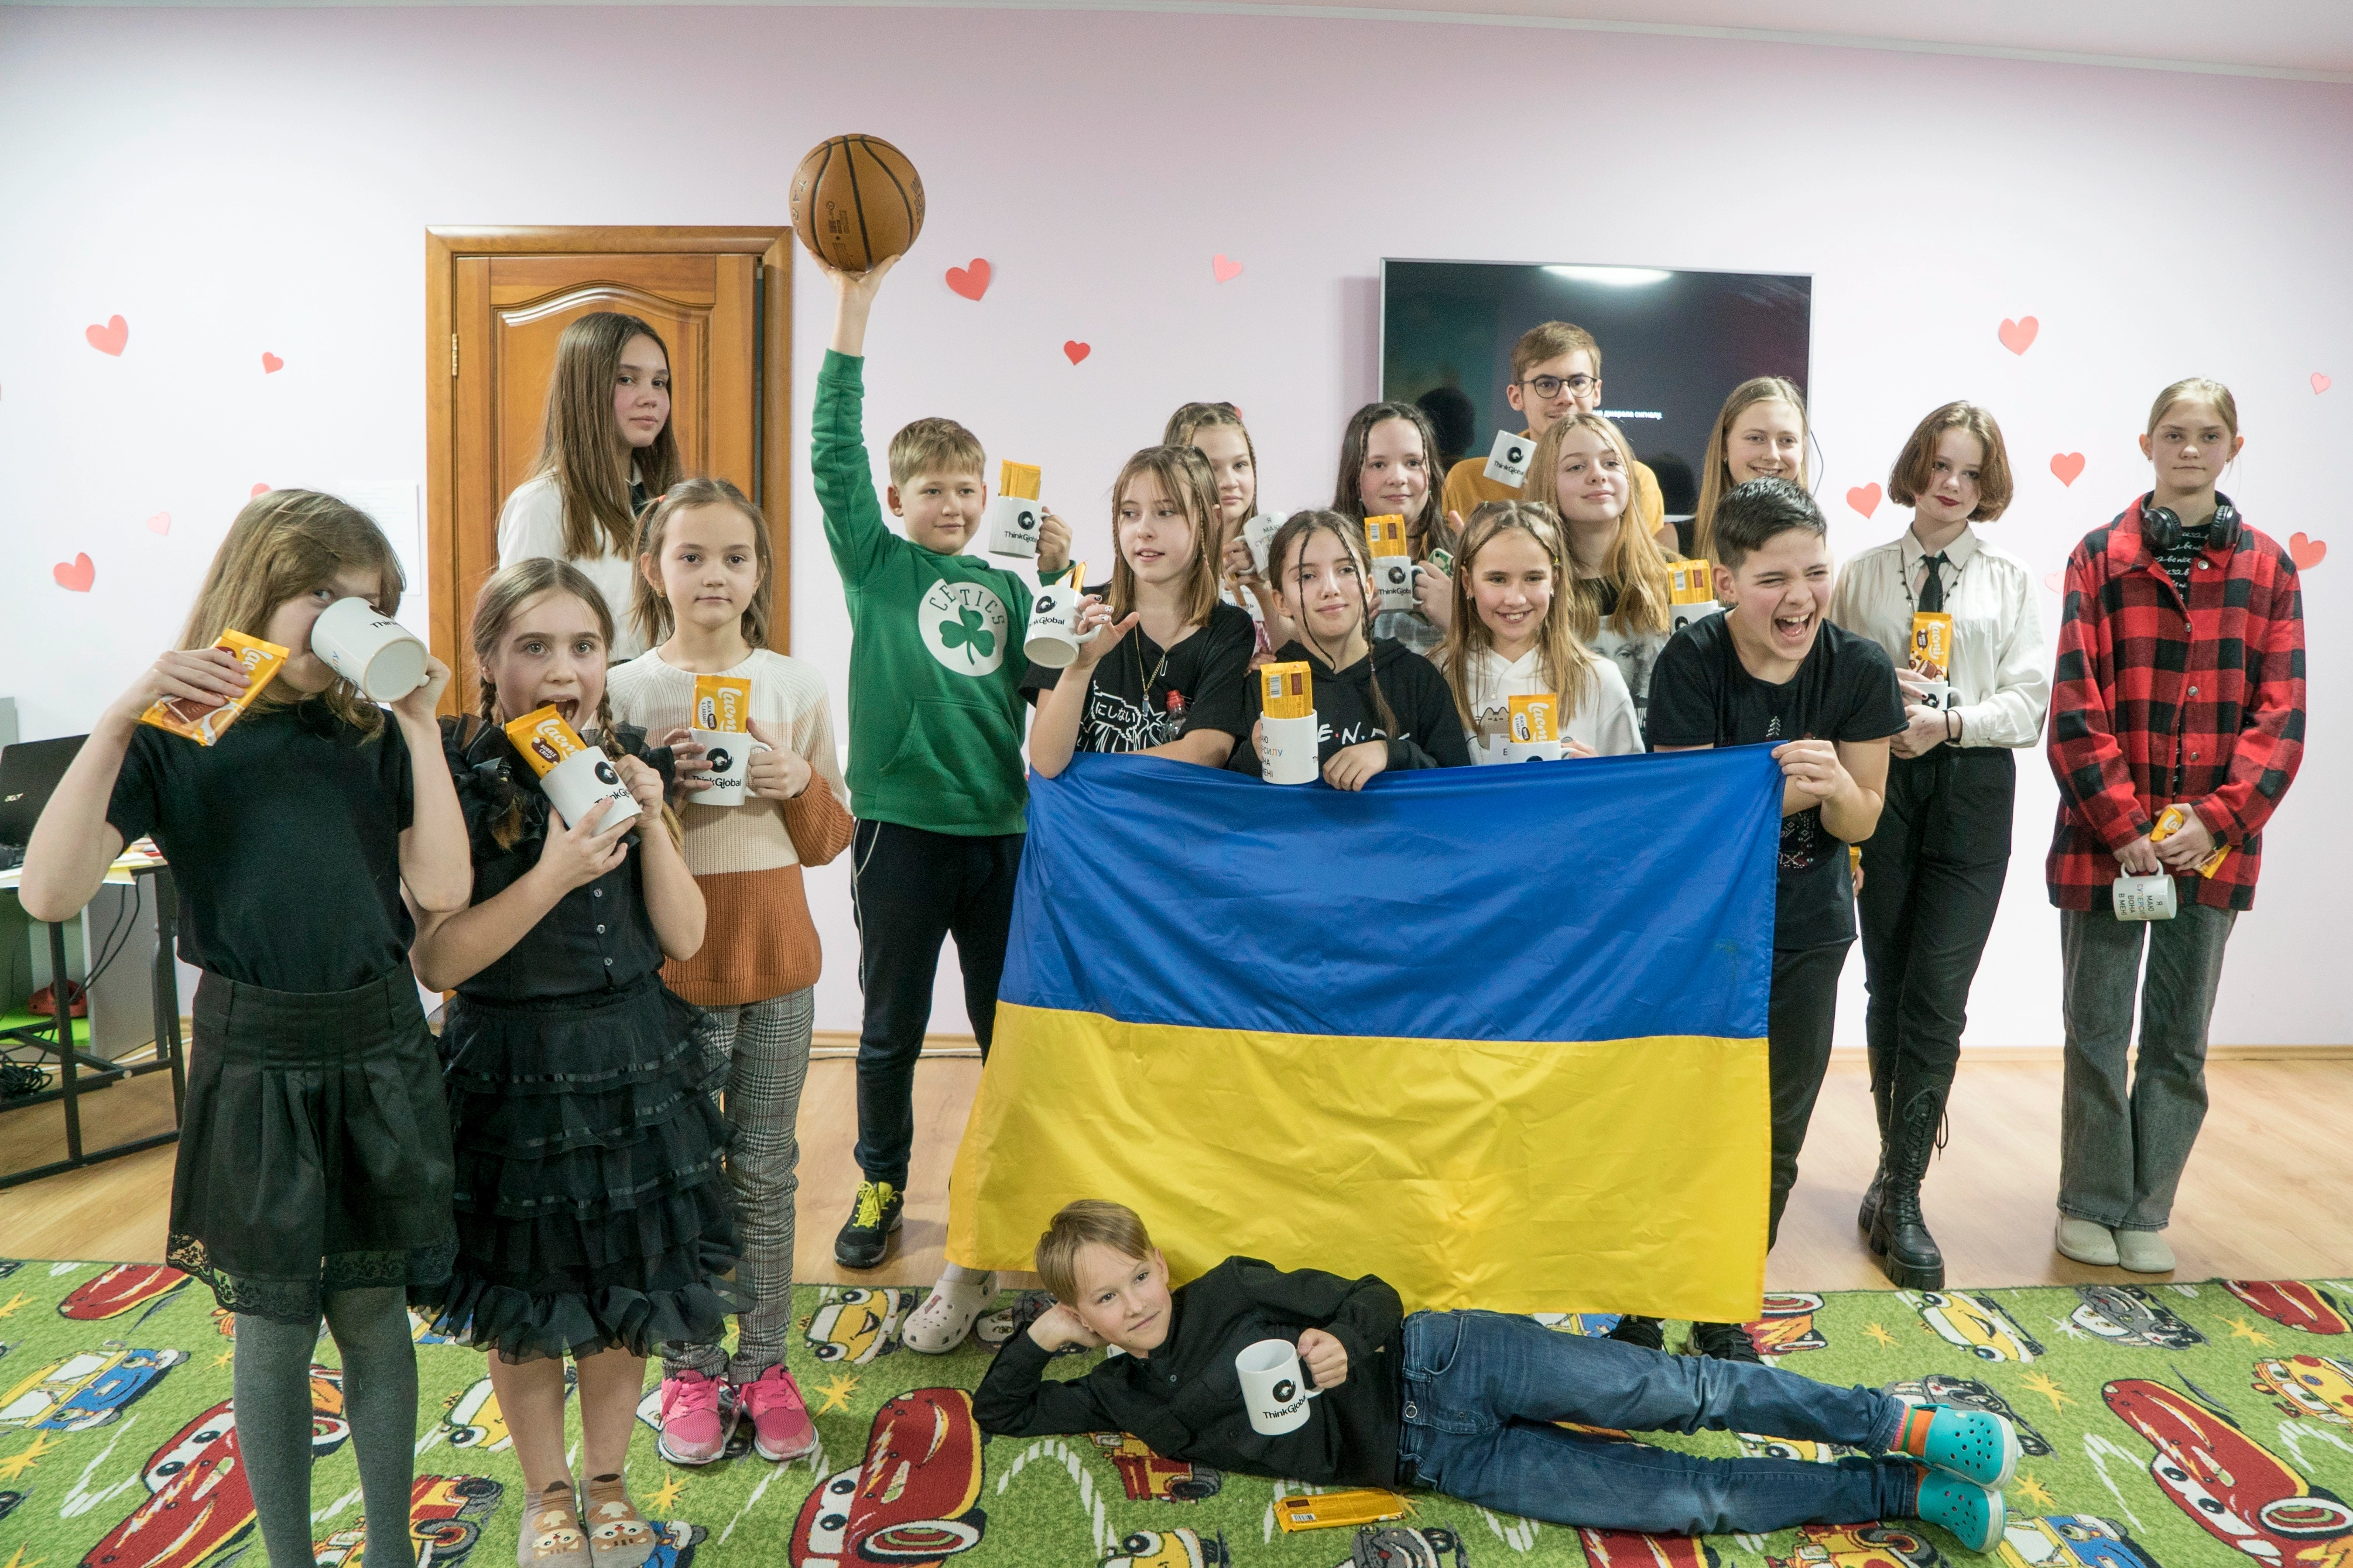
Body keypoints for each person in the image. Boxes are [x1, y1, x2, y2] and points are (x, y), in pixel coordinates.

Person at [20, 490, 471, 1568]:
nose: (346, 620)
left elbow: (444, 888)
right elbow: (47, 891)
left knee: (371, 1312)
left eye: (371, 603)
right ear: (259, 590)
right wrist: (123, 715)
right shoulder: (180, 736)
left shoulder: (372, 731)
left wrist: (417, 721)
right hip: (254, 1052)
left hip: (377, 1043)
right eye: (324, 596)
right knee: (272, 1330)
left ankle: (393, 1549)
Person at [975, 1200, 2014, 1549]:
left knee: (1681, 1391)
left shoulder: (1231, 1284)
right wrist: (1043, 1333)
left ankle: (1898, 1424)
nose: (1133, 1303)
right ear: (1085, 1315)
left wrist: (1344, 1334)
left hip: (1443, 1354)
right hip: (1437, 1458)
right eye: (1102, 1299)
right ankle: (1900, 1491)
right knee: (1676, 1496)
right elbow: (1000, 1409)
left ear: (1160, 1260)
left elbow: (1374, 1292)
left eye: (1135, 1276)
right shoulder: (1119, 1393)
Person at [415, 560, 723, 1568]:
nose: (562, 668)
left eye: (583, 646)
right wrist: (552, 873)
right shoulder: (456, 771)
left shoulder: (623, 757)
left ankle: (606, 1477)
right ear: (488, 659)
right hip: (510, 1062)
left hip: (633, 1059)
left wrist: (655, 816)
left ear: (606, 659)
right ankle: (547, 1493)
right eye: (534, 646)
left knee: (621, 1292)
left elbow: (683, 936)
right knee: (524, 1299)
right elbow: (439, 957)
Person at [810, 255, 1072, 1332]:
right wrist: (853, 314)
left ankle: (1013, 1191)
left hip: (1000, 833)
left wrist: (1057, 572)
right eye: (933, 490)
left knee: (1007, 1025)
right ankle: (880, 1179)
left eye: (969, 490)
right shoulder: (874, 564)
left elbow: (1048, 685)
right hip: (900, 833)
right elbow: (832, 452)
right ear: (894, 500)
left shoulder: (1009, 583)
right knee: (889, 1026)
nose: (955, 504)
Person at [608, 479, 855, 1461]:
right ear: (651, 566)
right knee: (679, 1172)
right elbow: (593, 841)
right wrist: (649, 788)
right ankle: (686, 1367)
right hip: (666, 973)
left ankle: (762, 1359)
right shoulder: (623, 690)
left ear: (760, 570)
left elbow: (832, 836)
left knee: (763, 1164)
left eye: (736, 557)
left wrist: (796, 782)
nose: (715, 575)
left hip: (779, 964)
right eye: (692, 555)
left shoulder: (793, 687)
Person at [1637, 478, 1903, 1357]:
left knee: (1774, 1129)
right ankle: (1641, 1298)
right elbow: (1688, 818)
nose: (1797, 597)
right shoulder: (1686, 663)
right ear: (1723, 583)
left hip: (1806, 929)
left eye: (1814, 573)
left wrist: (1826, 792)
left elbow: (1862, 815)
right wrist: (1787, 787)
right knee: (1673, 1118)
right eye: (1771, 578)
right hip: (1697, 931)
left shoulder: (1857, 668)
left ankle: (1721, 1302)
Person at [2045, 378, 2305, 1274]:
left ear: (2232, 445)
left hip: (2212, 851)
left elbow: (2281, 719)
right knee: (2093, 1026)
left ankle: (2145, 1204)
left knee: (2177, 1038)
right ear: (2145, 442)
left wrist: (2216, 820)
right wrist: (2121, 825)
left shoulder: (2270, 569)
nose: (2187, 449)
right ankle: (2088, 1198)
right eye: (2171, 433)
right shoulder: (2096, 558)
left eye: (2205, 435)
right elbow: (2074, 702)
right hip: (2101, 842)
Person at [1827, 404, 2050, 1291]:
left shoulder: (2010, 578)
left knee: (1937, 995)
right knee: (1886, 985)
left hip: (1970, 790)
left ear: (1984, 484)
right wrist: (1887, 702)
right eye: (1937, 465)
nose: (1950, 483)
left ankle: (1905, 1191)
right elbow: (1834, 681)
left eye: (1967, 471)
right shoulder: (1863, 574)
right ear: (1913, 469)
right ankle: (1889, 1177)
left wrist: (1949, 721)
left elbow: (2027, 704)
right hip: (1881, 789)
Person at [1026, 445, 1255, 776]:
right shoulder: (1078, 609)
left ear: (1211, 520)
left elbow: (1207, 751)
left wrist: (1092, 773)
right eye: (1130, 513)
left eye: (1166, 512)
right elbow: (1047, 760)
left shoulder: (1229, 628)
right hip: (1084, 825)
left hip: (1167, 825)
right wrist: (1080, 668)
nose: (1143, 530)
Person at [1225, 510, 1471, 786]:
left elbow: (1456, 791)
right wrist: (1254, 754)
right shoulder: (1263, 685)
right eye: (1307, 576)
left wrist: (1393, 753)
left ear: (1368, 587)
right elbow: (1228, 801)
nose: (1330, 589)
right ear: (1281, 601)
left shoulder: (1417, 677)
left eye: (1345, 570)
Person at [498, 312, 683, 660]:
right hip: (587, 706)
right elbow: (518, 639)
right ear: (584, 389)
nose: (651, 398)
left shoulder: (669, 500)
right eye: (627, 379)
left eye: (660, 383)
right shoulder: (542, 503)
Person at [1437, 501, 1639, 762]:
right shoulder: (1436, 676)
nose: (1516, 599)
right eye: (1498, 579)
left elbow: (1633, 794)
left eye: (1533, 578)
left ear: (1554, 579)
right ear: (1468, 582)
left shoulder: (1600, 680)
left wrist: (1598, 778)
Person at [1438, 322, 1666, 541]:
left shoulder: (1634, 480)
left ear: (1596, 392)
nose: (1565, 398)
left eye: (1578, 382)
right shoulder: (1468, 480)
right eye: (1547, 384)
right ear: (1516, 397)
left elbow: (1644, 569)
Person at [1525, 413, 1677, 718]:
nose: (1598, 475)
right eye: (1576, 467)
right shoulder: (1531, 586)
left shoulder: (1675, 574)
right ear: (1546, 483)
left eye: (1611, 463)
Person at [1333, 402, 1455, 657]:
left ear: (1431, 472)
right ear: (1354, 477)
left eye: (1413, 463)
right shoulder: (1326, 560)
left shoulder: (1463, 556)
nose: (1398, 478)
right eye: (1378, 464)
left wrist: (1460, 621)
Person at [1164, 401, 1285, 657]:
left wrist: (1262, 588)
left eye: (1240, 465)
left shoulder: (1282, 555)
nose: (1230, 482)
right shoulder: (1158, 563)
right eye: (1211, 468)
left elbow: (1299, 658)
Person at [1686, 378, 1810, 564]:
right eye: (1756, 438)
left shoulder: (1818, 552)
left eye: (1787, 440)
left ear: (1802, 450)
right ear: (1724, 445)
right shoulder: (1673, 544)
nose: (1773, 455)